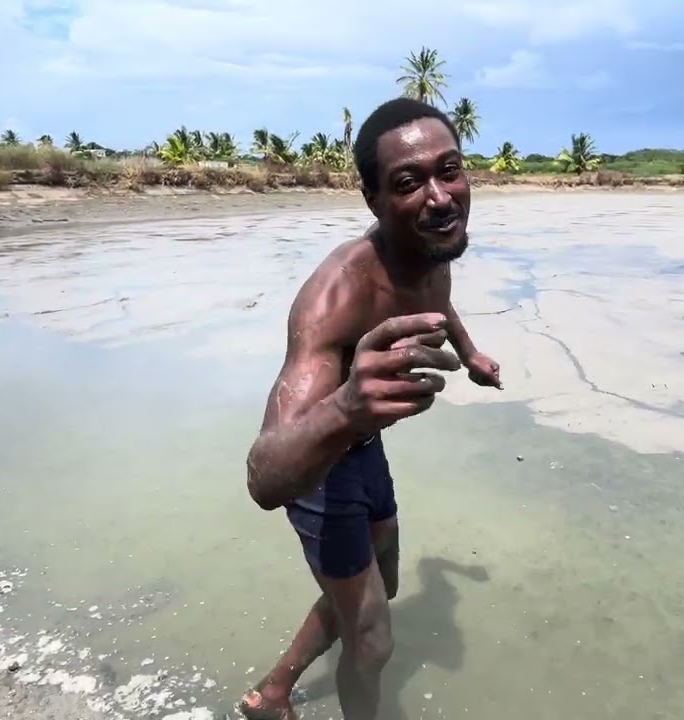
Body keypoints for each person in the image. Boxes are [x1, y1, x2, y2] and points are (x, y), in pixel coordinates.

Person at [239, 97, 501, 720]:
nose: (440, 198)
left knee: (384, 582)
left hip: (362, 446)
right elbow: (265, 476)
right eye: (409, 183)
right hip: (319, 462)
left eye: (451, 170)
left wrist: (470, 354)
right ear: (374, 201)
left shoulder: (431, 250)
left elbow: (440, 301)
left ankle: (273, 692)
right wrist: (349, 408)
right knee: (374, 636)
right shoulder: (338, 295)